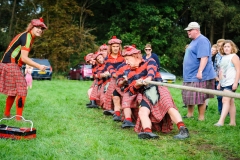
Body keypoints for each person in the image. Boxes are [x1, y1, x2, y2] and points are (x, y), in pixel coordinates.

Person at [121, 46, 189, 140]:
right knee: (143, 111)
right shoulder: (129, 72)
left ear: (135, 56)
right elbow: (131, 90)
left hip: (158, 88)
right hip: (145, 93)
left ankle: (183, 130)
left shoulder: (150, 61)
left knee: (169, 107)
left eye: (127, 59)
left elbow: (151, 71)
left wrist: (148, 79)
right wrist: (137, 85)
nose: (126, 62)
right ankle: (148, 132)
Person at [0, 17, 48, 120]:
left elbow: (22, 58)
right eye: (37, 27)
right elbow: (24, 58)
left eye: (42, 28)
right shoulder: (27, 37)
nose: (40, 30)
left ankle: (7, 114)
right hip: (10, 64)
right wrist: (39, 66)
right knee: (22, 89)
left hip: (8, 64)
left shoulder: (27, 36)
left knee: (14, 91)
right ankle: (18, 118)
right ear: (31, 27)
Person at [182, 22, 216, 121]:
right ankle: (189, 115)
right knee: (189, 96)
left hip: (199, 75)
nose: (188, 32)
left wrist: (200, 71)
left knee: (201, 97)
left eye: (190, 30)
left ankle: (201, 118)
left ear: (196, 30)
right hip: (189, 75)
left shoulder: (202, 40)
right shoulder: (194, 41)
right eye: (187, 30)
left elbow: (204, 57)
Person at [215, 40, 240, 126]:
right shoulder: (223, 57)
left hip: (231, 82)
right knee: (230, 101)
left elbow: (238, 70)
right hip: (223, 82)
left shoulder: (234, 56)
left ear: (232, 47)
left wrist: (236, 82)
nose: (226, 48)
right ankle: (232, 122)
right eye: (225, 47)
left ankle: (220, 121)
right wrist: (219, 83)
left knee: (225, 100)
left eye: (228, 46)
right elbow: (221, 71)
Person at [214, 39, 225, 114]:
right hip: (217, 78)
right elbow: (215, 67)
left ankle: (226, 111)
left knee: (226, 97)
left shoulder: (228, 55)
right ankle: (220, 111)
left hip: (226, 79)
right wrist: (215, 76)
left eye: (221, 46)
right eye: (218, 46)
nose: (220, 47)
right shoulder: (216, 56)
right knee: (219, 96)